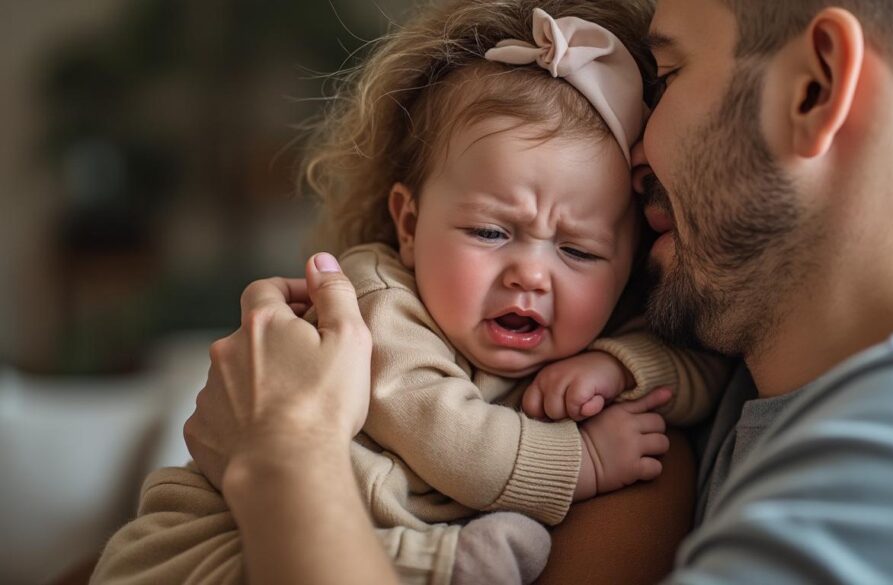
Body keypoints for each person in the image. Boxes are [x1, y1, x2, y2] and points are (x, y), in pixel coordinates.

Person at [100, 0, 893, 582]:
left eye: (667, 72)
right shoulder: (757, 393)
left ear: (816, 88)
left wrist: (284, 456)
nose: (636, 145)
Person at [90, 1, 731, 584]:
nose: (531, 275)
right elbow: (448, 439)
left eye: (578, 251)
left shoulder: (596, 335)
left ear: (628, 268)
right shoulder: (375, 300)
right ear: (410, 223)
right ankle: (443, 564)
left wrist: (620, 366)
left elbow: (693, 379)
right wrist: (580, 458)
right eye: (489, 230)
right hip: (205, 545)